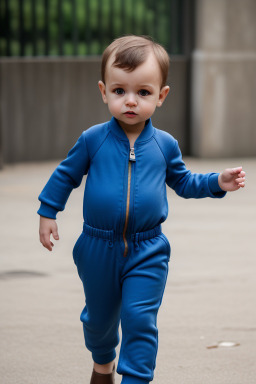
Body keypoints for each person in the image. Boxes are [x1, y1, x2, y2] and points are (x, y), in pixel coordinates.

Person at [37, 35, 246, 384]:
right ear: (104, 92)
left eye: (143, 93)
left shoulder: (165, 145)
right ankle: (103, 364)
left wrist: (215, 182)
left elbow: (183, 181)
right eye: (120, 91)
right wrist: (48, 212)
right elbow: (65, 175)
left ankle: (135, 378)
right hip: (96, 247)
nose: (130, 101)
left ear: (161, 95)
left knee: (139, 318)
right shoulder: (93, 139)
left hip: (148, 249)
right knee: (99, 321)